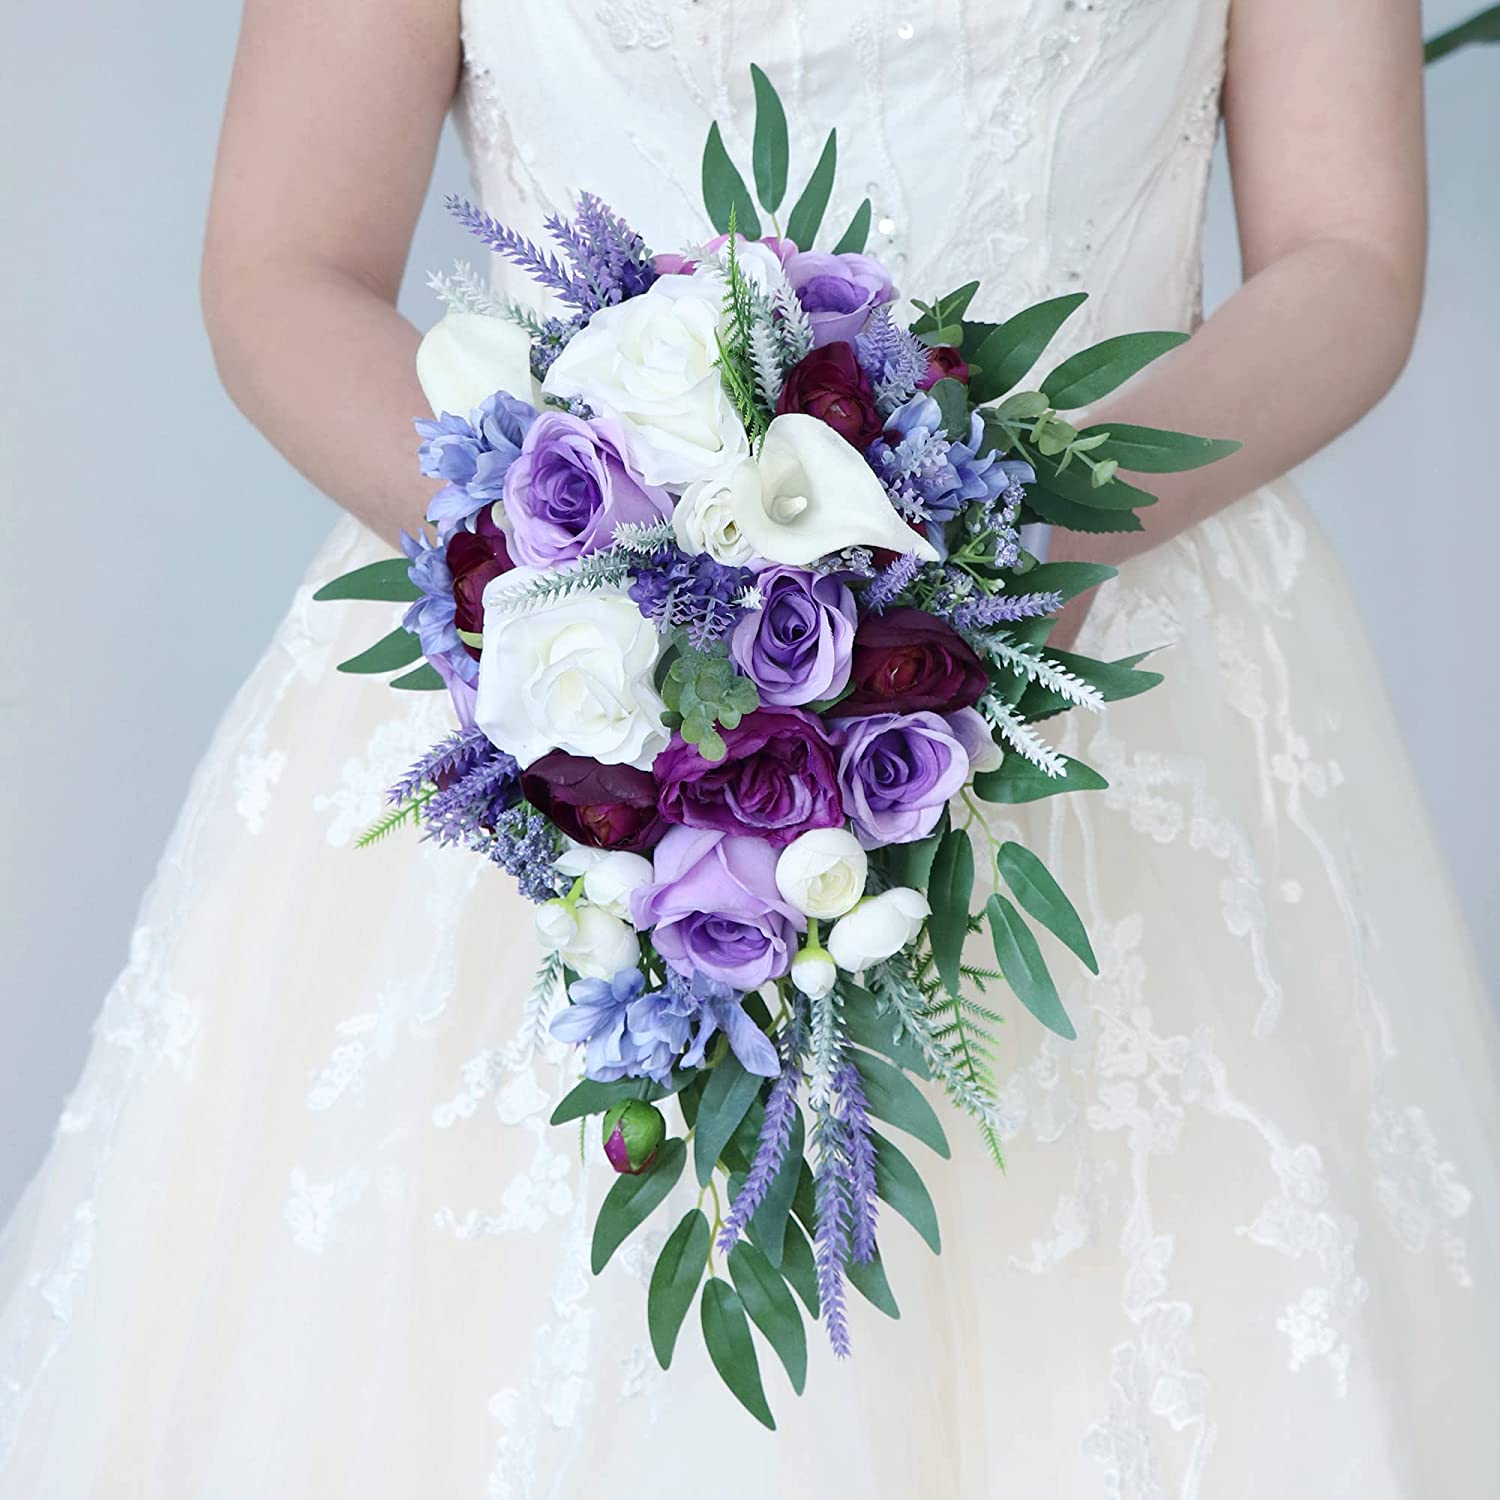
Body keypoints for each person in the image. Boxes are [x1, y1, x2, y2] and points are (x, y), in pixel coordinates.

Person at [2, 1, 1495, 1493]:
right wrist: (580, 579)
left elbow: (1350, 256)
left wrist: (1027, 548)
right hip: (572, 699)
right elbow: (283, 265)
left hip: (1115, 670)